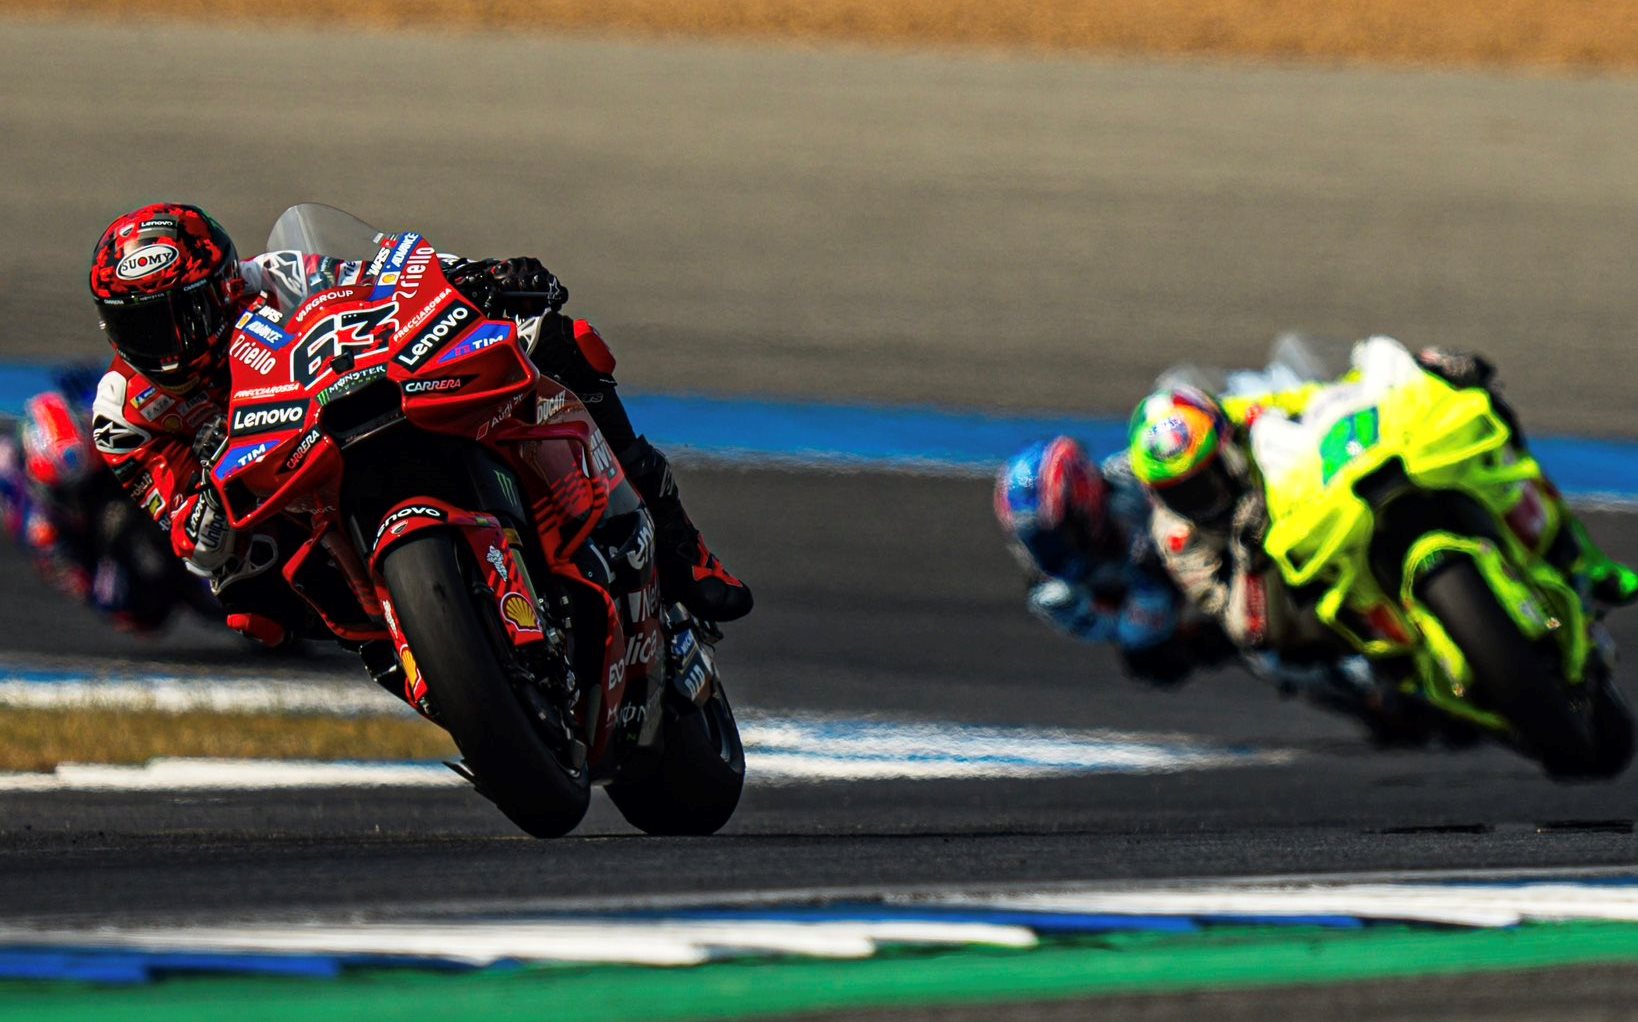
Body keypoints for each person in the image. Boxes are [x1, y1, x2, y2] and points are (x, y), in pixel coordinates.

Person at [86, 203, 752, 656]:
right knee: (248, 601)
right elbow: (193, 541)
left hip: (354, 410)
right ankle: (417, 662)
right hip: (282, 497)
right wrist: (207, 493)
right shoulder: (124, 416)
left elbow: (394, 279)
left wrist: (479, 278)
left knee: (558, 341)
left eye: (180, 318)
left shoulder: (277, 278)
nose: (166, 347)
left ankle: (680, 543)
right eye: (139, 327)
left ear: (223, 287)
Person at [1126, 345, 1637, 658]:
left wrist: (1423, 369)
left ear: (1225, 441)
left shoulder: (1242, 416)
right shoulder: (1178, 537)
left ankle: (1584, 560)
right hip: (1299, 596)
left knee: (1480, 416)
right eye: (1180, 492)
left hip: (1331, 510)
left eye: (1208, 475)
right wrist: (1250, 558)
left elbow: (1326, 396)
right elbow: (1247, 630)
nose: (1202, 497)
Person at [993, 436, 1233, 685]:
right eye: (1035, 541)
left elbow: (1175, 448)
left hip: (1202, 534)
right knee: (1150, 660)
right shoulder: (1053, 594)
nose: (1051, 551)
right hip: (1163, 597)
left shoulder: (1127, 477)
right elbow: (1116, 630)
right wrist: (1147, 583)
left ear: (1083, 497)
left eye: (1056, 537)